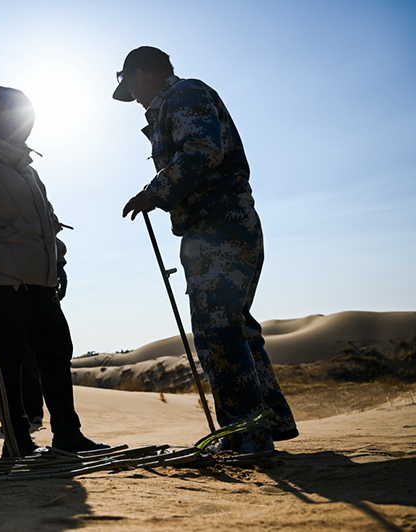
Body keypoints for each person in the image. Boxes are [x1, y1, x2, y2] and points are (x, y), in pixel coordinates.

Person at [114, 46, 298, 455]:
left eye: (134, 90)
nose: (136, 102)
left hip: (220, 228)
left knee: (218, 331)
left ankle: (247, 436)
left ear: (143, 75)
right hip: (222, 226)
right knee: (236, 327)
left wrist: (154, 193)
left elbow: (200, 151)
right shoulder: (176, 102)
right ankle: (270, 424)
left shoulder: (184, 96)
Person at [0, 84, 108, 457]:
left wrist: (59, 261)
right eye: (21, 118)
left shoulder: (27, 170)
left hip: (41, 282)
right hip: (2, 281)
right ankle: (17, 441)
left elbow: (48, 222)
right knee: (9, 361)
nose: (27, 127)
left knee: (56, 353)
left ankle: (68, 434)